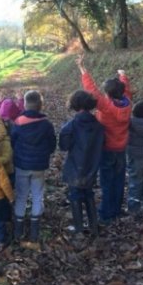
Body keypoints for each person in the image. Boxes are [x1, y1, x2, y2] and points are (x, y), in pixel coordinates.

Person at [76, 55, 132, 225]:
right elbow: (126, 89)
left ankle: (106, 214)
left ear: (107, 94)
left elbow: (91, 90)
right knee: (119, 179)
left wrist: (82, 68)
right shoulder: (127, 102)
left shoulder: (106, 106)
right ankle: (116, 210)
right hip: (121, 148)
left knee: (107, 181)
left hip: (107, 148)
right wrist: (123, 76)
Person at [11, 90, 56, 244]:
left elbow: (13, 142)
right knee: (38, 195)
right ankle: (35, 230)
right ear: (40, 105)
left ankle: (19, 230)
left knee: (22, 195)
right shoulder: (46, 124)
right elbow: (52, 144)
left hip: (22, 165)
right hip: (39, 165)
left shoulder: (18, 122)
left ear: (25, 104)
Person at [59, 90, 105, 237]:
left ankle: (79, 228)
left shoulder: (70, 126)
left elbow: (64, 146)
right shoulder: (99, 125)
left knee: (75, 195)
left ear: (74, 105)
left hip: (75, 166)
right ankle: (94, 226)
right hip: (92, 166)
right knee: (89, 194)